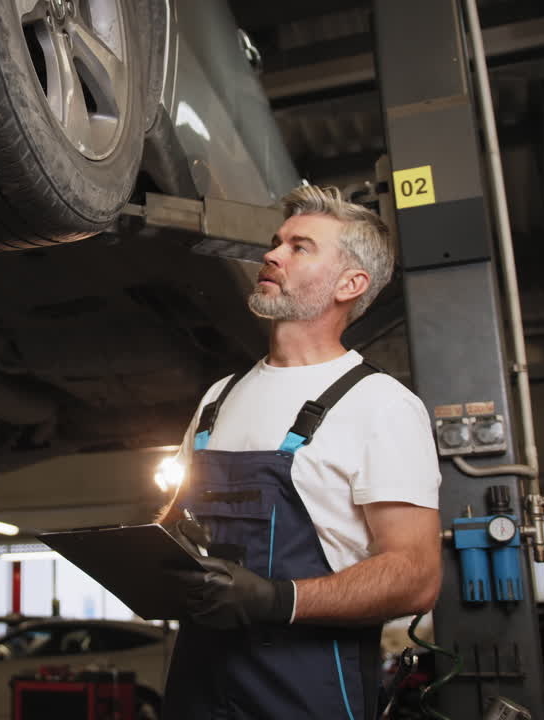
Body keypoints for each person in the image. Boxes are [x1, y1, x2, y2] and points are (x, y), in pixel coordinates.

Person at [157, 184, 442, 720]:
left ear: (349, 284)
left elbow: (416, 575)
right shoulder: (219, 396)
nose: (271, 254)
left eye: (299, 247)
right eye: (276, 242)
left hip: (305, 690)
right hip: (197, 685)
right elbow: (178, 523)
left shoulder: (380, 405)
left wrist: (274, 599)